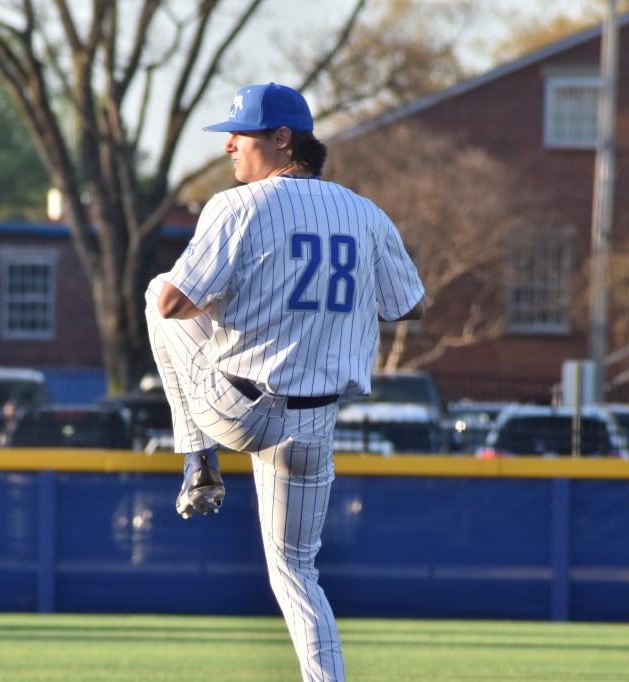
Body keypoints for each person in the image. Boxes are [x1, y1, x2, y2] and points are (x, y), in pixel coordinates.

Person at [145, 83, 426, 681]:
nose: (228, 145)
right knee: (297, 570)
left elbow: (173, 304)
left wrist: (235, 300)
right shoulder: (366, 213)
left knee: (152, 292)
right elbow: (410, 309)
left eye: (239, 134)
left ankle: (197, 457)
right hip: (314, 425)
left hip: (237, 408)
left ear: (282, 138)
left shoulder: (236, 206)